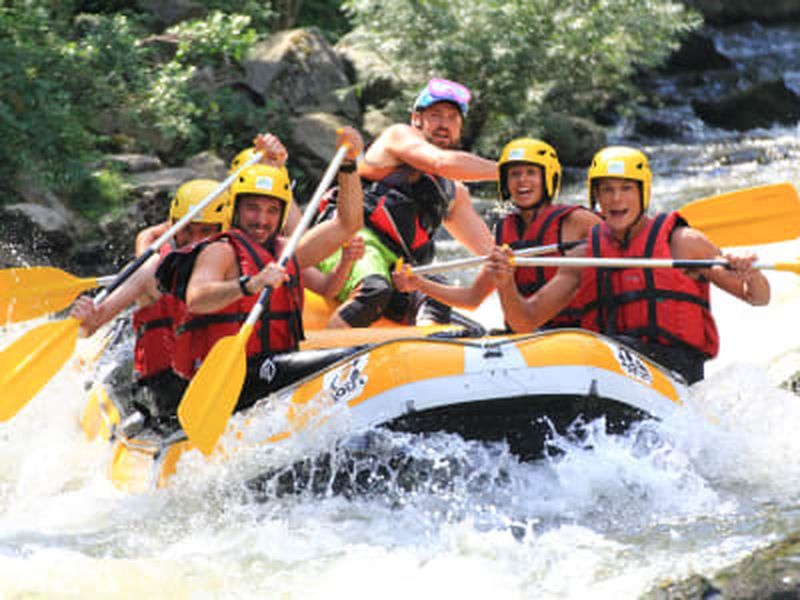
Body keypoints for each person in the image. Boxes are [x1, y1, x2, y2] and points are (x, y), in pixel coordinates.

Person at [485, 145, 770, 384]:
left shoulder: (683, 242)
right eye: (606, 190)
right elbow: (525, 321)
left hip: (674, 373)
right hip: (615, 372)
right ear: (595, 197)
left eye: (625, 189)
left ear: (643, 192)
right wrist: (506, 283)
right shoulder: (586, 256)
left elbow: (758, 298)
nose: (616, 199)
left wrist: (752, 272)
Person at [158, 128, 364, 410]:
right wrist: (249, 284)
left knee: (348, 362)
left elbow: (347, 224)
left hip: (272, 369)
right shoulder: (221, 251)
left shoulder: (286, 252)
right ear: (235, 209)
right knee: (351, 361)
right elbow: (197, 297)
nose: (261, 220)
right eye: (252, 208)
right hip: (229, 378)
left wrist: (349, 164)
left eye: (271, 211)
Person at [317, 77, 498, 328]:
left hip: (397, 268)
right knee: (373, 289)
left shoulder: (454, 194)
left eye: (452, 117)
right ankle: (327, 350)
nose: (444, 124)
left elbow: (491, 254)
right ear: (416, 119)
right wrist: (507, 170)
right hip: (353, 246)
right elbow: (439, 162)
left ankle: (425, 351)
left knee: (437, 294)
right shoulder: (397, 137)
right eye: (435, 115)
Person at [393, 138, 602, 329]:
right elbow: (473, 298)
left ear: (548, 177)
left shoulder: (578, 221)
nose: (522, 181)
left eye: (531, 173)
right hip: (528, 334)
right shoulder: (506, 232)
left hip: (576, 333)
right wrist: (418, 283)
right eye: (514, 174)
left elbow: (619, 243)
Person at [70, 178, 232, 418]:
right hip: (166, 387)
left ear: (222, 230)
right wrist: (87, 317)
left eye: (205, 231)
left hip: (221, 378)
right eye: (186, 229)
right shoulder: (153, 269)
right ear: (174, 228)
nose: (194, 240)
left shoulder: (236, 265)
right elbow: (91, 325)